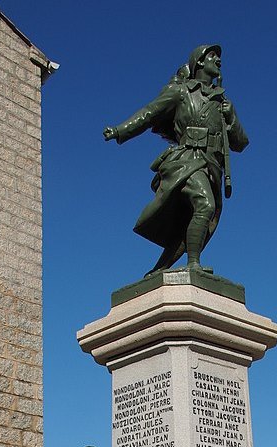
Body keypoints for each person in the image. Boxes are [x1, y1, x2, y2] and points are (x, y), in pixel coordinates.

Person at [104, 44, 248, 277]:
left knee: (198, 218)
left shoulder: (222, 102)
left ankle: (163, 267)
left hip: (211, 164)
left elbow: (241, 143)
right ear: (199, 62)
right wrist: (120, 131)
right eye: (212, 56)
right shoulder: (180, 92)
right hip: (185, 158)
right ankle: (193, 263)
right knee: (205, 205)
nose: (218, 61)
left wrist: (230, 117)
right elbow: (149, 113)